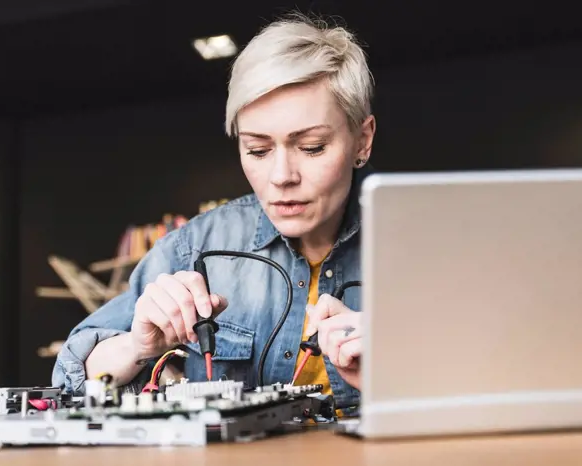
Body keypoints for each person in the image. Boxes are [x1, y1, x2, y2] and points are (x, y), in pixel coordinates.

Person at [52, 12, 376, 414]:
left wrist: (401, 370)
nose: (280, 176)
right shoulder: (193, 248)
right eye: (257, 149)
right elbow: (70, 375)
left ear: (362, 140)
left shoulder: (430, 249)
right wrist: (137, 347)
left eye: (311, 147)